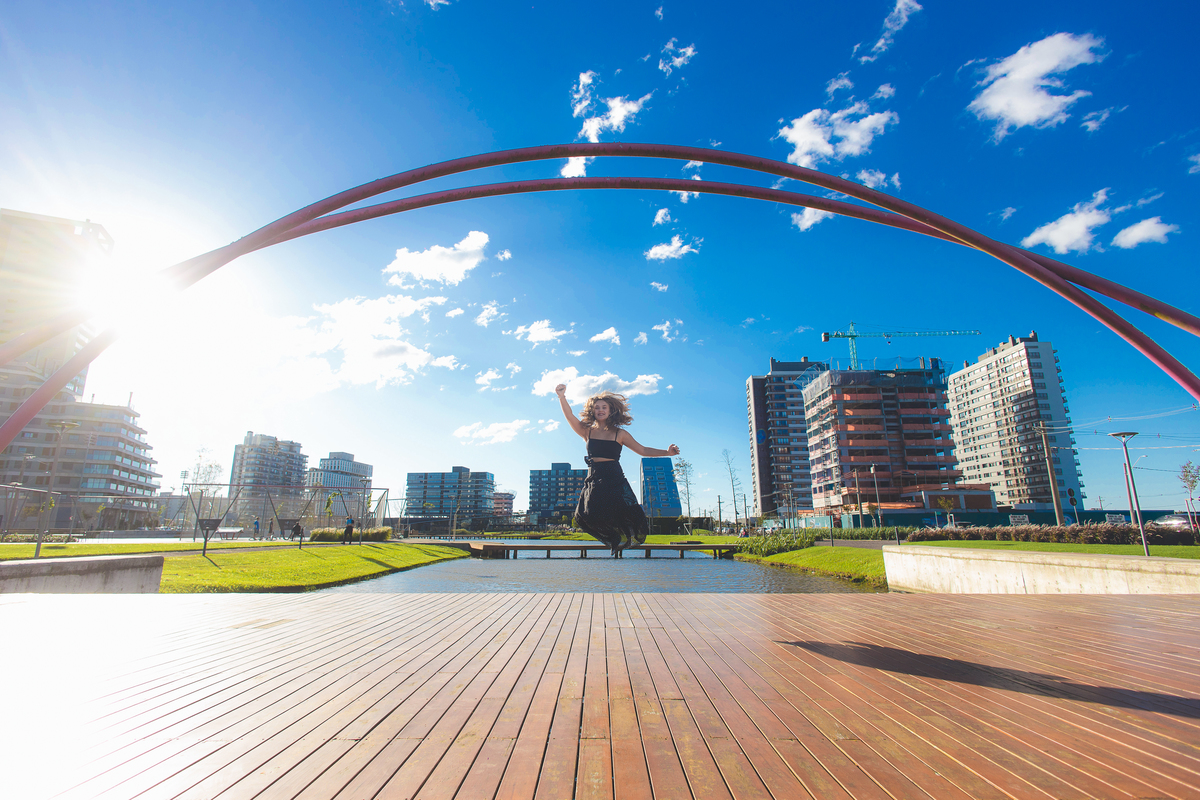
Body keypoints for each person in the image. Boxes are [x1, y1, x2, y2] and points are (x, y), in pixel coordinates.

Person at [555, 384, 680, 557]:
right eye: (597, 407)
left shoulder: (620, 434)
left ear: (610, 410)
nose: (600, 410)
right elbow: (570, 417)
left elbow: (643, 450)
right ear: (592, 411)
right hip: (594, 476)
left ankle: (620, 540)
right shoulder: (587, 432)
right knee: (584, 514)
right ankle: (614, 539)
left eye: (604, 407)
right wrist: (562, 397)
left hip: (613, 475)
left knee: (623, 512)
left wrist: (667, 453)